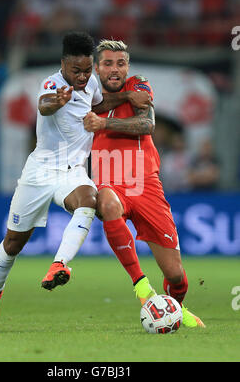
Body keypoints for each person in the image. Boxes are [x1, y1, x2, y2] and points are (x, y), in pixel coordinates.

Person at [0, 32, 151, 327]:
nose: (82, 76)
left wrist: (124, 96)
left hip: (73, 172)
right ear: (63, 65)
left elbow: (97, 105)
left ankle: (59, 264)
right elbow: (44, 104)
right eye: (76, 71)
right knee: (13, 243)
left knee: (89, 200)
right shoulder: (51, 85)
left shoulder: (91, 82)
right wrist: (57, 102)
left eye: (86, 69)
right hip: (40, 172)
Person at [83, 39, 205, 328]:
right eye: (108, 63)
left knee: (176, 276)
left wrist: (104, 123)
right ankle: (141, 287)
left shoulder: (139, 84)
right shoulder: (85, 94)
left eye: (121, 63)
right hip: (109, 180)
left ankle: (173, 307)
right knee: (108, 203)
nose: (115, 69)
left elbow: (147, 125)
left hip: (146, 184)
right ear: (96, 68)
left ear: (127, 67)